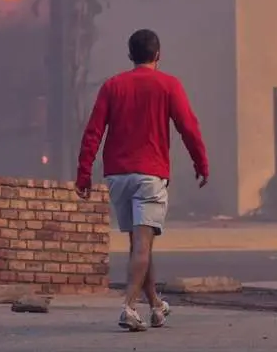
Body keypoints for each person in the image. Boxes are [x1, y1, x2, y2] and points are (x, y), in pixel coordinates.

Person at [75, 28, 210, 332]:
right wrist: (200, 162)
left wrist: (84, 172)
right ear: (158, 55)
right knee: (142, 246)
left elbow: (93, 132)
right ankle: (128, 307)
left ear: (130, 55)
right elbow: (189, 127)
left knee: (140, 243)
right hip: (150, 174)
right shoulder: (168, 85)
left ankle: (157, 307)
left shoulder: (113, 86)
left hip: (118, 176)